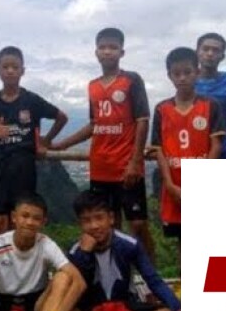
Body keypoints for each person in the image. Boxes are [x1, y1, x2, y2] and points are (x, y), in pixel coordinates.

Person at [49, 27, 155, 261]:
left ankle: (150, 274)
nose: (107, 51)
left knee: (138, 225)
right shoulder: (93, 86)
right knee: (110, 227)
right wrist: (62, 145)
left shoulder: (131, 80)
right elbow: (94, 124)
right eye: (103, 47)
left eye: (113, 47)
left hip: (126, 167)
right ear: (96, 52)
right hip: (100, 168)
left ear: (122, 52)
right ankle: (116, 274)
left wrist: (135, 160)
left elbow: (142, 120)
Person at [64, 191, 180, 311]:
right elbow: (72, 288)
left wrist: (178, 310)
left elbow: (154, 280)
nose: (94, 226)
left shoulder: (129, 245)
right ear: (80, 224)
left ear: (111, 218)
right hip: (92, 310)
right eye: (87, 221)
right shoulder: (76, 252)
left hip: (124, 307)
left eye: (99, 218)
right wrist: (84, 254)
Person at [0, 45, 68, 237]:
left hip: (24, 170)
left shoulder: (31, 100)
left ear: (23, 70)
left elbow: (61, 117)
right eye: (5, 67)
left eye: (15, 67)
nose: (10, 71)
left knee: (19, 221)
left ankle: (18, 257)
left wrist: (46, 141)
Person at [152, 47, 226, 243]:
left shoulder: (211, 105)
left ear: (197, 72)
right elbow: (158, 149)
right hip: (174, 187)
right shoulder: (161, 109)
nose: (182, 78)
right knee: (182, 242)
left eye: (187, 72)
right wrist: (169, 185)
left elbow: (216, 145)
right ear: (169, 76)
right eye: (177, 73)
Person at [194, 32, 226, 158]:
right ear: (197, 52)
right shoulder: (188, 81)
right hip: (195, 151)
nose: (210, 53)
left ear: (222, 56)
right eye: (205, 49)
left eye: (215, 50)